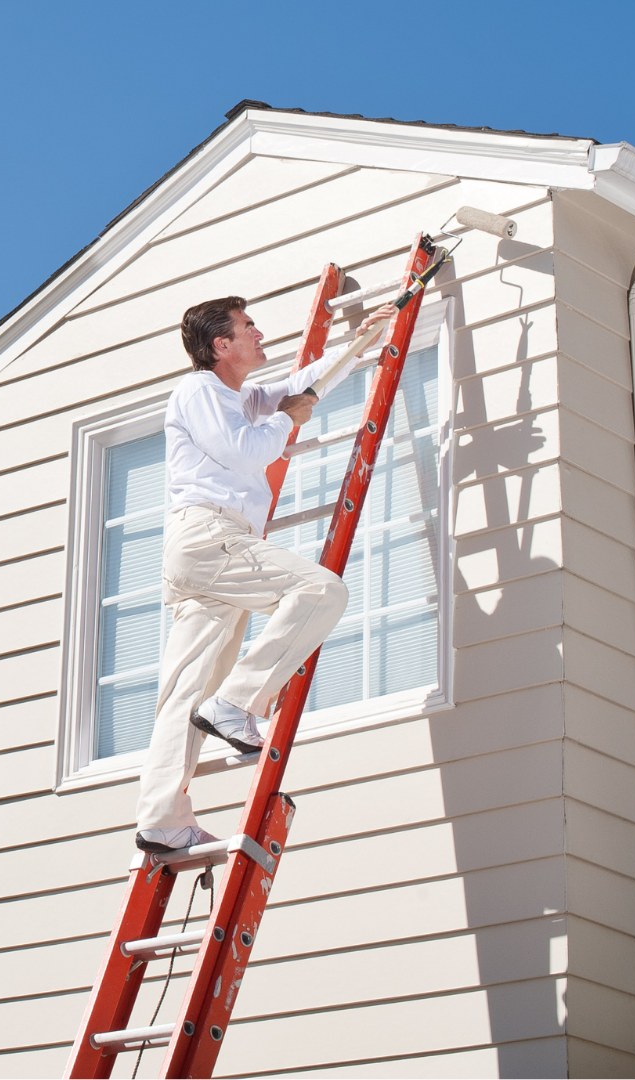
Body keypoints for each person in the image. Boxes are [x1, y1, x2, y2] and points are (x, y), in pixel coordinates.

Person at [135, 296, 393, 854]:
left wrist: (362, 341)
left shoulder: (237, 396)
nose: (259, 333)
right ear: (220, 346)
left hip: (204, 551)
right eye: (247, 327)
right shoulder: (201, 390)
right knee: (321, 590)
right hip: (212, 538)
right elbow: (248, 451)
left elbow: (300, 385)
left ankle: (161, 819)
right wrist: (285, 419)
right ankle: (237, 703)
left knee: (187, 693)